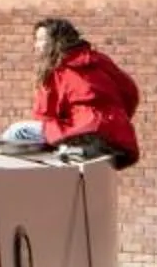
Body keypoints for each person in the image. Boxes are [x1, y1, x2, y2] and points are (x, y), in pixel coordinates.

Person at [32, 17, 139, 168]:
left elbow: (43, 115)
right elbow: (130, 92)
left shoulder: (55, 69)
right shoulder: (100, 60)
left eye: (41, 39)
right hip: (115, 131)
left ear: (55, 41)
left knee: (15, 133)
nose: (36, 45)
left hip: (81, 131)